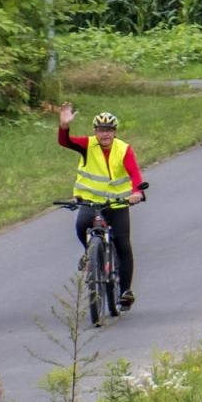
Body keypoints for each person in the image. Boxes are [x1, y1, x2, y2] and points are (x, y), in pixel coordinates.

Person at [58, 106, 144, 311]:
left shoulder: (123, 149)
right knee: (81, 226)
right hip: (91, 202)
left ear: (115, 132)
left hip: (117, 203)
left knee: (123, 243)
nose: (104, 134)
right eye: (100, 129)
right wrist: (64, 126)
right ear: (95, 131)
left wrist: (137, 193)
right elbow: (65, 141)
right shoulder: (88, 145)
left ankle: (125, 291)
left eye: (109, 130)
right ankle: (90, 254)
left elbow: (135, 174)